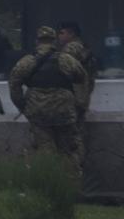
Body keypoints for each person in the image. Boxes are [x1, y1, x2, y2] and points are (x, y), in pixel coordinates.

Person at [8, 28, 89, 167]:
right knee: (68, 151)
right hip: (64, 111)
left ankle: (49, 182)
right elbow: (82, 78)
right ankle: (70, 183)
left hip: (38, 111)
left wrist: (22, 105)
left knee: (45, 150)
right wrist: (80, 104)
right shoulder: (66, 60)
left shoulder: (26, 62)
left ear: (37, 41)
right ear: (54, 41)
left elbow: (14, 85)